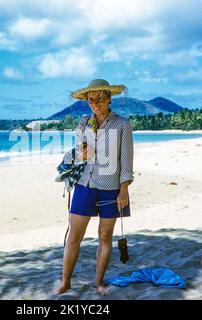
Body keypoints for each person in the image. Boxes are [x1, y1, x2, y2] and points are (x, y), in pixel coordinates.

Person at [55, 79, 135, 295]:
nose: (95, 103)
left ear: (109, 99)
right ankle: (65, 282)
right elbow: (79, 155)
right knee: (74, 236)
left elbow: (126, 160)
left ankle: (99, 281)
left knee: (105, 236)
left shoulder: (122, 125)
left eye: (100, 99)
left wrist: (124, 189)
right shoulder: (84, 123)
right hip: (84, 184)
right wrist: (82, 151)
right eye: (92, 100)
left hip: (111, 187)